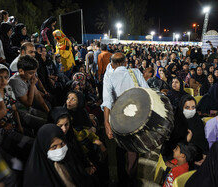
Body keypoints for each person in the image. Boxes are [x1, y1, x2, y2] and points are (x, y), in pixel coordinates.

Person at [101, 52, 149, 187]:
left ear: (111, 64)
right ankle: (131, 179)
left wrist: (106, 123)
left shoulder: (109, 76)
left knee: (120, 148)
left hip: (118, 118)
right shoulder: (135, 72)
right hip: (137, 116)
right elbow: (147, 92)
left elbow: (107, 101)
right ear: (125, 63)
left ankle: (122, 179)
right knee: (133, 149)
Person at [23, 124, 97, 187]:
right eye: (54, 147)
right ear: (44, 148)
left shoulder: (69, 156)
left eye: (62, 144)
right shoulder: (34, 177)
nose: (60, 149)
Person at [8, 55, 48, 134]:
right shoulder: (16, 82)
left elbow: (37, 95)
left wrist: (48, 111)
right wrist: (32, 85)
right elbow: (28, 104)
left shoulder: (27, 77)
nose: (33, 76)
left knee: (49, 117)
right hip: (20, 113)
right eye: (31, 73)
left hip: (27, 109)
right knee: (45, 123)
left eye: (34, 73)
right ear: (21, 71)